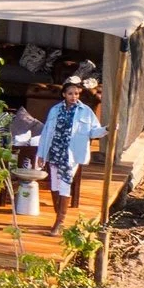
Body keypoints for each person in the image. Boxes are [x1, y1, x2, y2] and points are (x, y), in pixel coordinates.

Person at [35, 76, 107, 229]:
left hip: (71, 154)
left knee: (65, 184)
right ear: (64, 95)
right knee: (54, 185)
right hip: (55, 151)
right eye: (70, 94)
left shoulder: (85, 112)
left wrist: (107, 129)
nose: (74, 97)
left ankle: (59, 222)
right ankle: (58, 219)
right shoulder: (55, 110)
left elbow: (94, 132)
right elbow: (46, 132)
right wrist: (41, 154)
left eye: (76, 94)